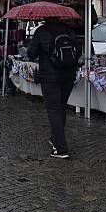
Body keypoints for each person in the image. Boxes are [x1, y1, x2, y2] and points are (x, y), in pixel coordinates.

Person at [27, 17, 80, 159]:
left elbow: (31, 54)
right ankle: (55, 138)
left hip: (50, 77)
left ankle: (61, 148)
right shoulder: (69, 31)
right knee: (61, 107)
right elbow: (78, 51)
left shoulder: (41, 31)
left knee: (54, 110)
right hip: (68, 75)